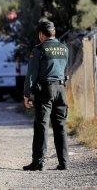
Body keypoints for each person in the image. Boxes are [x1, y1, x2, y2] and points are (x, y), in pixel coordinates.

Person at [23, 20, 69, 171]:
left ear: (41, 34)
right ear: (53, 32)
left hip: (45, 91)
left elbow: (31, 74)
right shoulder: (64, 48)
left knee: (42, 125)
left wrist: (27, 94)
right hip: (61, 89)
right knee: (60, 126)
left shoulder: (39, 50)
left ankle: (38, 162)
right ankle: (64, 163)